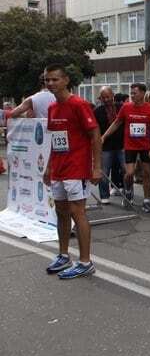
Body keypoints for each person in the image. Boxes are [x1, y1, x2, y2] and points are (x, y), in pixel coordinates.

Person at [42, 64, 102, 280]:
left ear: (66, 80)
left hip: (77, 168)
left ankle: (85, 262)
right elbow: (55, 139)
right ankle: (63, 254)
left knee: (78, 213)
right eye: (47, 80)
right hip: (59, 168)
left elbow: (95, 135)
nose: (50, 83)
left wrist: (96, 166)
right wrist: (49, 167)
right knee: (61, 212)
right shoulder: (52, 108)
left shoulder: (79, 104)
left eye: (55, 79)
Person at [101, 83, 150, 214]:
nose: (132, 95)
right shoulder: (126, 107)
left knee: (146, 173)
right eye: (131, 93)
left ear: (143, 93)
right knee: (130, 173)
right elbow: (116, 123)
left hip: (145, 146)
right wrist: (104, 136)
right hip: (130, 146)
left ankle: (146, 201)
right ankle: (128, 191)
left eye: (135, 93)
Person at [93, 86, 125, 205]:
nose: (106, 99)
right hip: (105, 146)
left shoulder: (121, 108)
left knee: (126, 169)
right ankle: (104, 195)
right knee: (104, 171)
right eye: (103, 97)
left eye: (108, 96)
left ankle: (127, 192)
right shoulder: (97, 111)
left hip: (122, 145)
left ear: (113, 95)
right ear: (100, 98)